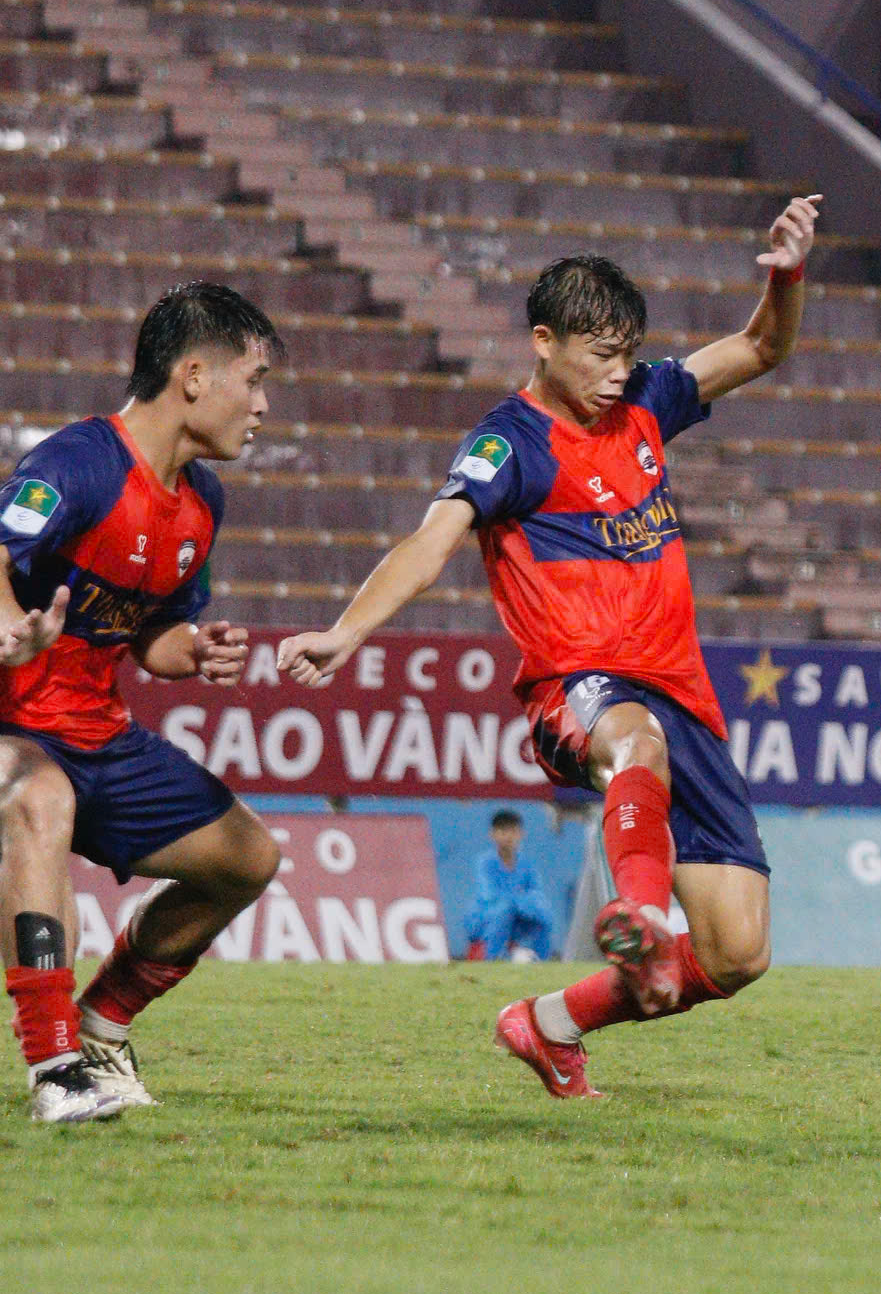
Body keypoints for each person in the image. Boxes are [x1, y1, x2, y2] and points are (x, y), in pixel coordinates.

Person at [278, 196, 822, 1099]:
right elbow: (429, 544)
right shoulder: (510, 446)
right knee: (636, 741)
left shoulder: (646, 403)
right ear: (543, 341)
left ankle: (550, 1023)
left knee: (738, 952)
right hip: (580, 688)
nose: (617, 374)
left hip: (683, 696)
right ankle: (640, 912)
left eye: (626, 354)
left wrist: (788, 275)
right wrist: (346, 631)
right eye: (600, 355)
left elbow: (761, 347)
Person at [0, 284, 283, 1123]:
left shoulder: (202, 501)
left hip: (98, 734)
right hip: (13, 725)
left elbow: (151, 635)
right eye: (254, 381)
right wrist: (11, 625)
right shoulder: (80, 464)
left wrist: (192, 650)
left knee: (247, 860)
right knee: (37, 799)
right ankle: (55, 1067)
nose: (262, 407)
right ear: (193, 377)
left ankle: (103, 1021)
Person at [463, 809, 554, 961]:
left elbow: (536, 893)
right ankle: (493, 959)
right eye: (503, 831)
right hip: (484, 920)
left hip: (517, 918)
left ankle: (542, 961)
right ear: (492, 834)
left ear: (521, 834)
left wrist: (531, 906)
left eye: (513, 831)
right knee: (504, 909)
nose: (508, 837)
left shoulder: (527, 864)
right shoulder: (485, 863)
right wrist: (521, 901)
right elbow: (490, 895)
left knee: (543, 915)